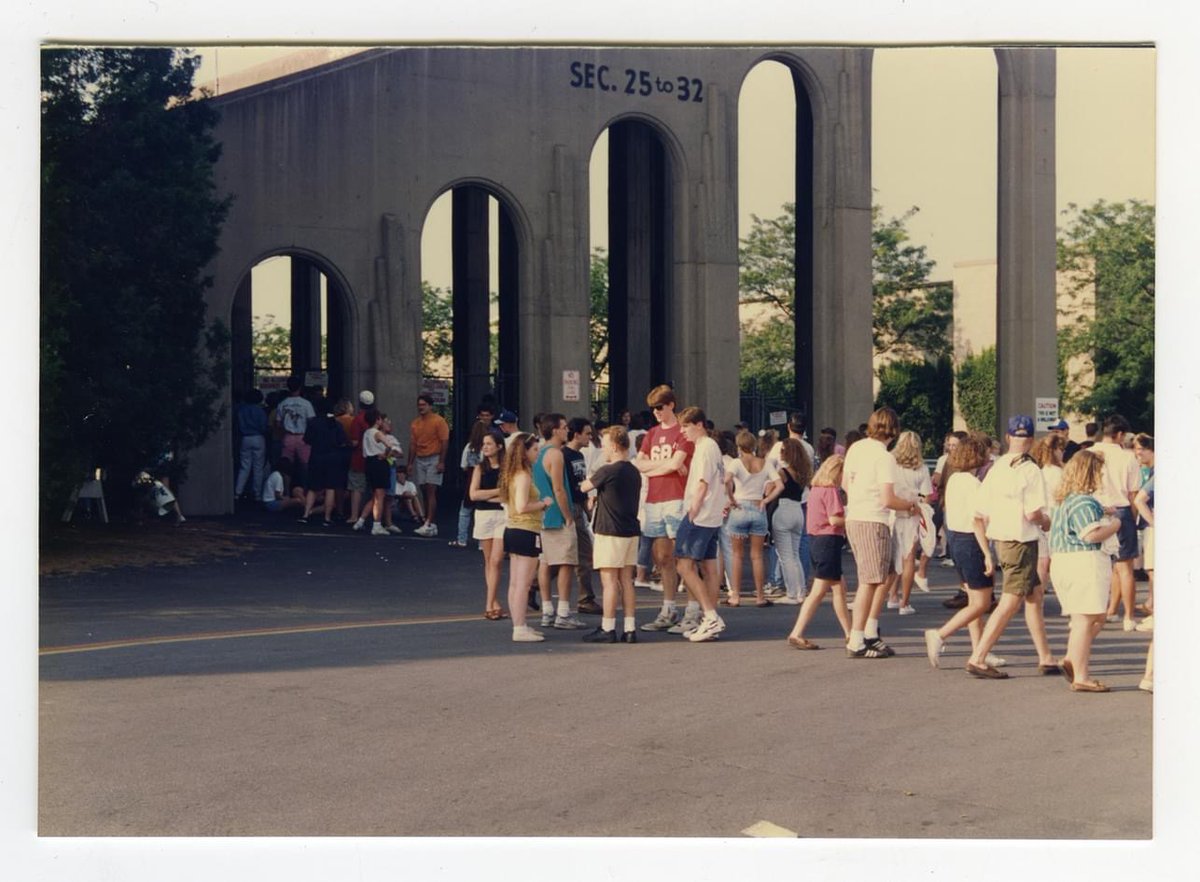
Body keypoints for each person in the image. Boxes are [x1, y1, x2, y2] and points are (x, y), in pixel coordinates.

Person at [960, 415, 1059, 679]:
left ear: (1008, 437)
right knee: (1010, 600)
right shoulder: (1030, 469)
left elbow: (980, 510)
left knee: (1034, 594)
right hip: (1022, 539)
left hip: (1002, 537)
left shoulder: (998, 466)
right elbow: (1033, 513)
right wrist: (1047, 523)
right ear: (1031, 439)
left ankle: (1046, 656)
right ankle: (978, 657)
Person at [841, 406, 915, 659]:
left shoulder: (856, 448)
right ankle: (857, 638)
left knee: (882, 575)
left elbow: (845, 483)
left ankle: (868, 631)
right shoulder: (885, 457)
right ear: (893, 430)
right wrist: (910, 505)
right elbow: (887, 498)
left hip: (856, 515)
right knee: (870, 581)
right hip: (874, 519)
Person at [1049, 450, 1124, 692]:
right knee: (1085, 619)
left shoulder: (1065, 500)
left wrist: (1104, 512)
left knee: (1092, 617)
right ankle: (1080, 675)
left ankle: (1072, 660)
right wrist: (1115, 524)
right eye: (1098, 472)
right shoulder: (1083, 501)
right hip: (1083, 562)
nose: (1101, 476)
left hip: (1064, 561)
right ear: (1088, 473)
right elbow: (1091, 534)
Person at [923, 435, 998, 668]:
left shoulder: (955, 479)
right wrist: (987, 553)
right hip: (970, 541)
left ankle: (980, 649)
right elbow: (977, 520)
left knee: (973, 599)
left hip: (956, 539)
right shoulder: (974, 484)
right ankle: (940, 634)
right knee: (982, 602)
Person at [635, 385, 697, 634]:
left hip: (676, 498)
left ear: (671, 405)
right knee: (662, 557)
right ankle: (669, 607)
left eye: (660, 407)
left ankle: (693, 609)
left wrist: (655, 465)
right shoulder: (651, 433)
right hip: (654, 499)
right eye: (653, 409)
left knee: (684, 558)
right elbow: (639, 463)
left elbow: (675, 463)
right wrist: (667, 465)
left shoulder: (683, 433)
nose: (656, 412)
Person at [579, 426, 643, 643]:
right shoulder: (634, 471)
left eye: (605, 445)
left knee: (609, 582)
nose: (602, 449)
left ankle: (608, 627)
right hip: (630, 529)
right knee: (627, 580)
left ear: (615, 446)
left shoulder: (608, 470)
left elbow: (584, 487)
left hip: (610, 530)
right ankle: (630, 627)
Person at [672, 407, 728, 642]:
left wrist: (692, 511)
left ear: (699, 425)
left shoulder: (705, 448)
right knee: (708, 568)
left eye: (686, 426)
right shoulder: (712, 447)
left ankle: (710, 616)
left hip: (701, 515)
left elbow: (703, 483)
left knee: (683, 565)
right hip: (712, 515)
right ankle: (709, 619)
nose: (683, 431)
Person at [785, 454, 851, 650]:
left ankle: (851, 633)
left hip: (817, 540)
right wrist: (852, 520)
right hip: (829, 541)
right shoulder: (831, 491)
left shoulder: (815, 489)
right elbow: (834, 519)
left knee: (838, 588)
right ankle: (797, 632)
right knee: (821, 591)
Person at [533, 413, 585, 629]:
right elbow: (559, 488)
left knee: (545, 562)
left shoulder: (537, 452)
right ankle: (563, 612)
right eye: (564, 427)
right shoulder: (555, 454)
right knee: (566, 562)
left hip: (541, 514)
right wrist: (568, 516)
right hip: (556, 514)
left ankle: (547, 610)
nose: (567, 430)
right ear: (555, 430)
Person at [500, 432, 553, 642]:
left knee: (516, 582)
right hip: (526, 530)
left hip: (514, 529)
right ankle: (519, 627)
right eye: (534, 450)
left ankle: (519, 623)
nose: (537, 453)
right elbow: (522, 506)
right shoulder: (523, 476)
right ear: (525, 451)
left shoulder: (513, 474)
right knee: (523, 583)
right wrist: (543, 504)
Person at [1093, 414, 1142, 630]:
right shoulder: (1128, 457)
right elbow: (1133, 494)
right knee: (1125, 566)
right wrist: (1133, 516)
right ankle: (1128, 616)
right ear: (1120, 434)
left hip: (1094, 510)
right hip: (1120, 509)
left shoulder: (1088, 453)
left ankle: (1108, 609)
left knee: (1101, 566)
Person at [762, 438, 814, 608]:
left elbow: (771, 488)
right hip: (798, 510)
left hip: (783, 510)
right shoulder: (803, 473)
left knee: (785, 556)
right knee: (794, 554)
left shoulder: (783, 472)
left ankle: (792, 593)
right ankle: (801, 591)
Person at [884, 430, 931, 616]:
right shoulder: (921, 468)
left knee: (894, 556)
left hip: (892, 512)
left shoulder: (891, 464)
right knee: (909, 558)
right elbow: (927, 496)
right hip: (912, 513)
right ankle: (905, 602)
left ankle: (892, 595)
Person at [723, 429, 771, 607]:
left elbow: (726, 480)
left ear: (739, 446)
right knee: (757, 556)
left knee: (737, 555)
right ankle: (760, 596)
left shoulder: (736, 463)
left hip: (740, 506)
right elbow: (778, 484)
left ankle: (735, 596)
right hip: (758, 507)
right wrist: (766, 499)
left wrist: (731, 497)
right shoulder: (764, 463)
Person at [469, 429, 508, 620]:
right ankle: (494, 601)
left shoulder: (507, 468)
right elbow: (473, 494)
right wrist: (496, 492)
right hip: (483, 515)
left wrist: (488, 494)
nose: (485, 447)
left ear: (499, 446)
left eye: (489, 444)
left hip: (503, 515)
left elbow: (508, 495)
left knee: (496, 560)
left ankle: (489, 603)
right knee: (488, 561)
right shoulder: (479, 468)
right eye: (484, 444)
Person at [564, 417, 602, 615]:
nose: (590, 437)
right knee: (582, 555)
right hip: (572, 507)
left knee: (573, 555)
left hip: (579, 506)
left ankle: (535, 584)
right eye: (587, 433)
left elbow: (581, 482)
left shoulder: (579, 455)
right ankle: (585, 598)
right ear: (576, 434)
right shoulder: (565, 455)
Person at [1031, 432, 1067, 611]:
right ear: (1054, 450)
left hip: (1039, 518)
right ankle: (1065, 602)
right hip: (1056, 519)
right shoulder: (1059, 472)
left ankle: (1039, 600)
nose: (1063, 452)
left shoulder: (1038, 471)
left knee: (1041, 562)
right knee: (1058, 563)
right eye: (1061, 449)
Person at [355, 410, 404, 536]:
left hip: (369, 463)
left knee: (375, 494)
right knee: (380, 496)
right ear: (377, 420)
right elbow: (389, 445)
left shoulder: (366, 433)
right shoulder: (377, 433)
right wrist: (386, 455)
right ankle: (377, 524)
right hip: (379, 463)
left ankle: (362, 521)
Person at [408, 394, 450, 537]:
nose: (421, 407)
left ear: (430, 406)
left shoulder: (439, 421)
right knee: (424, 489)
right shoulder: (415, 423)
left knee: (431, 490)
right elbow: (412, 444)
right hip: (420, 458)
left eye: (424, 404)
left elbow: (444, 441)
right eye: (419, 405)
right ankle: (429, 521)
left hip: (434, 457)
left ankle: (428, 523)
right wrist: (410, 463)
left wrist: (441, 461)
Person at [298, 406, 349, 526]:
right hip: (333, 458)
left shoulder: (313, 423)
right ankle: (327, 517)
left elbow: (307, 440)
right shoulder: (336, 424)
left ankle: (305, 514)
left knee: (313, 488)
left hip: (316, 457)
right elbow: (342, 441)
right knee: (330, 488)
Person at [451, 415, 489, 547]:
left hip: (470, 479)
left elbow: (463, 465)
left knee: (465, 511)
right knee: (482, 511)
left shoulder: (469, 447)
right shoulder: (487, 447)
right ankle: (482, 543)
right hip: (484, 481)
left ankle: (462, 539)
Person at [1132, 433, 1155, 630]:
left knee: (1154, 570)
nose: (1137, 453)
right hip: (1150, 526)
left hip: (1153, 528)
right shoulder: (1150, 471)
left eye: (1140, 449)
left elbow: (1139, 500)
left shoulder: (1157, 473)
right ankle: (1153, 606)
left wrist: (1153, 522)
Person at [346, 390, 376, 525]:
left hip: (359, 457)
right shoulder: (377, 418)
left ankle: (354, 515)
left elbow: (354, 442)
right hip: (375, 457)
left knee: (356, 487)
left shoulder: (357, 420)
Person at [233, 388, 268, 501]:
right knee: (258, 467)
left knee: (244, 466)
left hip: (245, 438)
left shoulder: (242, 410)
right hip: (258, 438)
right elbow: (263, 426)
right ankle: (257, 493)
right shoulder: (260, 411)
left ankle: (238, 492)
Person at [277, 375, 317, 468]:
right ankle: (303, 482)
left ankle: (287, 481)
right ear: (300, 387)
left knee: (286, 464)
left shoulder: (282, 403)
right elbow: (311, 422)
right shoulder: (306, 404)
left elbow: (278, 423)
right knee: (305, 464)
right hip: (303, 437)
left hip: (288, 436)